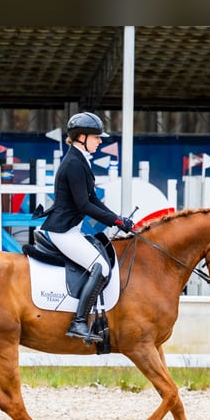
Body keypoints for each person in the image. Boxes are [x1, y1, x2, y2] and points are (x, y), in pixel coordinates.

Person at [38, 112, 134, 342]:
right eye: (96, 137)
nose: (100, 141)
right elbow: (84, 204)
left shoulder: (79, 160)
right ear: (82, 136)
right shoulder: (73, 163)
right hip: (63, 231)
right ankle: (78, 322)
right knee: (101, 267)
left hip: (71, 229)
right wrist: (116, 221)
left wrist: (118, 218)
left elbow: (94, 201)